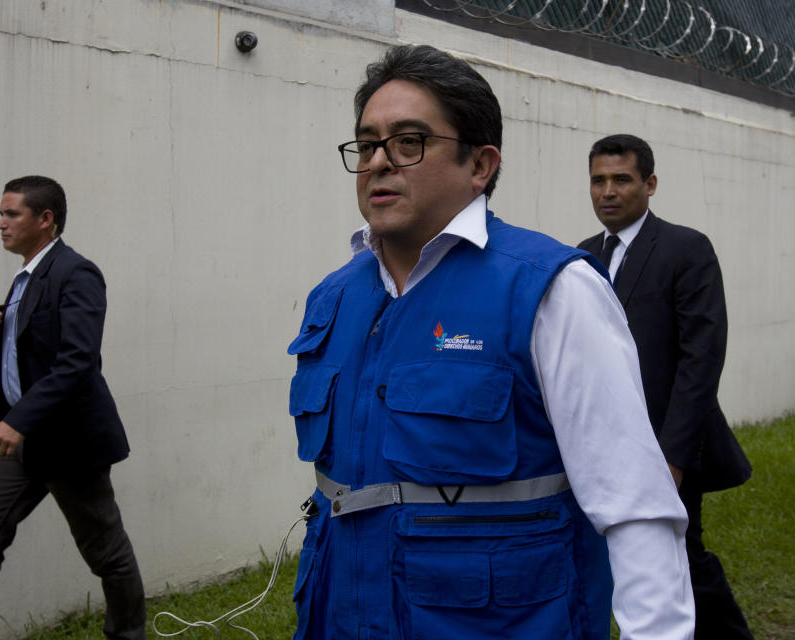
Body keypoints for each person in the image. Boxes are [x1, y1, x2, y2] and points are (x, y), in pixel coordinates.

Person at [288, 45, 694, 640]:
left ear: (480, 165)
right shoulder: (334, 298)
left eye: (409, 142)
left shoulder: (550, 290)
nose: (379, 161)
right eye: (367, 144)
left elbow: (634, 505)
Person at [0, 176, 145, 639]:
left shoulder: (77, 272)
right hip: (22, 442)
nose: (0, 224)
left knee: (105, 553)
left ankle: (127, 635)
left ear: (45, 220)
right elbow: (32, 353)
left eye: (11, 214)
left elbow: (77, 361)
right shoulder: (26, 277)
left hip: (68, 441)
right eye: (0, 214)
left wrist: (17, 420)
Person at [578, 134, 753, 639]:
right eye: (598, 180)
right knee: (627, 559)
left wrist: (673, 458)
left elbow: (701, 359)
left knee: (682, 555)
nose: (608, 191)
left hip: (667, 445)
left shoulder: (686, 249)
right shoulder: (582, 256)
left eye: (622, 180)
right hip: (603, 444)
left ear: (650, 184)